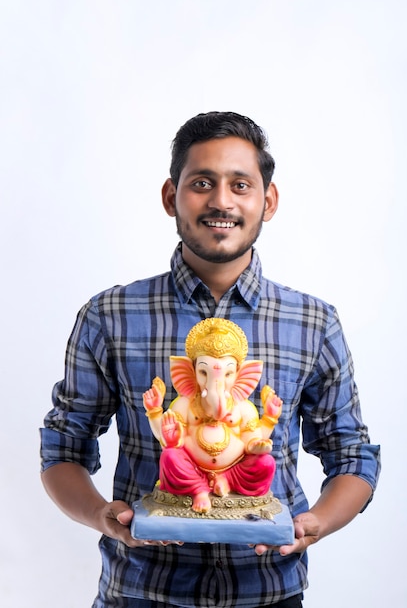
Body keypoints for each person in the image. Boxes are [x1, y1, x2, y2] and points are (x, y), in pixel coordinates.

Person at [40, 111, 381, 608]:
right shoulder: (109, 315)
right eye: (202, 183)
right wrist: (101, 516)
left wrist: (317, 523)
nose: (221, 200)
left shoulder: (313, 322)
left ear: (269, 201)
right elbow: (63, 448)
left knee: (257, 463)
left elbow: (352, 455)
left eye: (240, 184)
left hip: (269, 592)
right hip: (140, 591)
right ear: (169, 196)